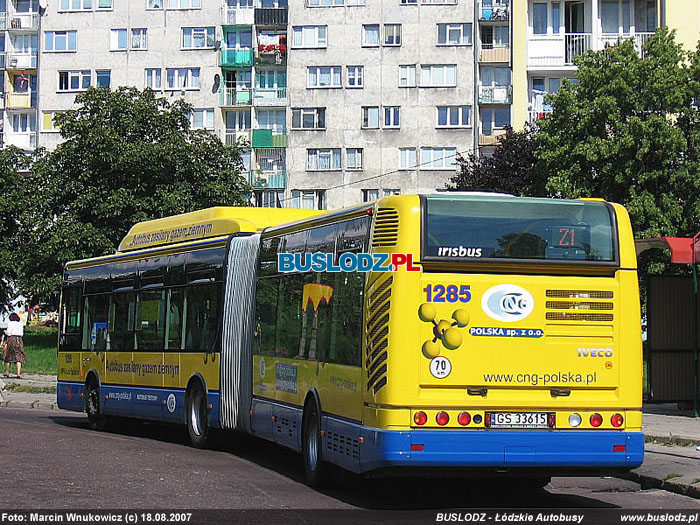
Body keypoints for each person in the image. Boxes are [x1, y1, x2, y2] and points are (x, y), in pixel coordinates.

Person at [3, 313, 26, 379]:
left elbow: (9, 332)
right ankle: (18, 373)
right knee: (19, 355)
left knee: (9, 355)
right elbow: (22, 333)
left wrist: (5, 332)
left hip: (12, 339)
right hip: (19, 339)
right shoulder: (20, 324)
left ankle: (7, 372)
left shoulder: (10, 323)